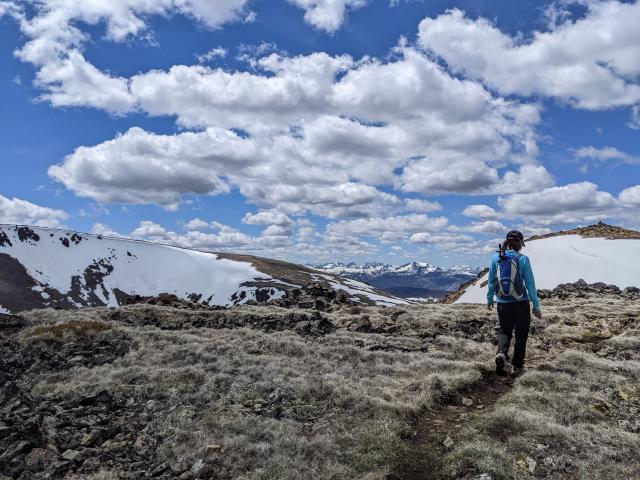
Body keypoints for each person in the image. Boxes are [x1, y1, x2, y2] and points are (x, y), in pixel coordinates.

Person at [487, 230, 541, 376]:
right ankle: (517, 366)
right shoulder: (523, 259)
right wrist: (536, 305)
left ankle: (502, 354)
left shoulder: (495, 258)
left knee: (505, 331)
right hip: (520, 303)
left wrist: (489, 298)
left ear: (506, 242)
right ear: (520, 243)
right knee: (521, 334)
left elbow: (492, 280)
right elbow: (530, 283)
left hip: (502, 303)